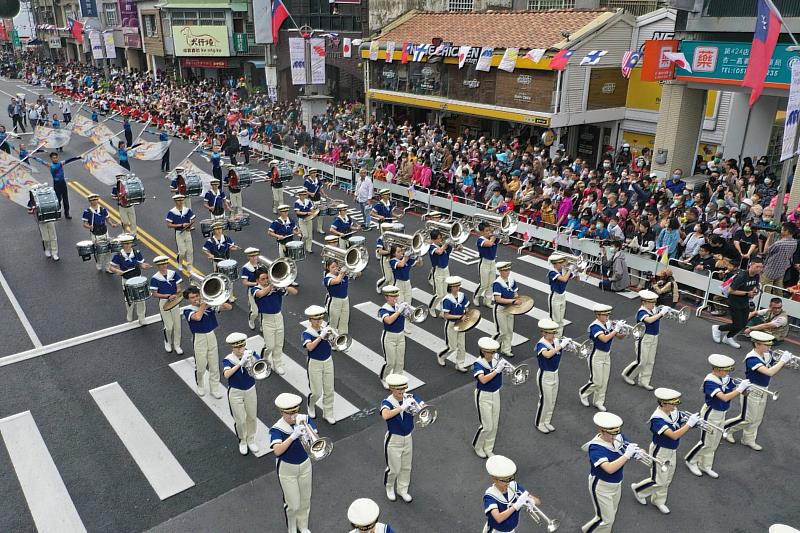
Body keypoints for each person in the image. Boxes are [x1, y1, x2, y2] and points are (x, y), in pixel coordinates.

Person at [631, 388, 700, 515]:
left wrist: (693, 422)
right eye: (672, 403)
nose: (675, 406)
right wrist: (689, 424)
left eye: (675, 403)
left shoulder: (673, 412)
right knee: (659, 479)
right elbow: (673, 435)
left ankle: (659, 500)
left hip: (672, 450)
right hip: (660, 451)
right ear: (663, 403)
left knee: (667, 478)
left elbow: (680, 420)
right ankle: (639, 490)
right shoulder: (657, 420)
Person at [723, 331, 792, 451]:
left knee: (757, 418)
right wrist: (783, 361)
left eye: (769, 344)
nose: (769, 347)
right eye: (766, 345)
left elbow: (773, 365)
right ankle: (726, 428)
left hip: (764, 390)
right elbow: (770, 372)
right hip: (750, 390)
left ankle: (748, 439)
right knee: (747, 418)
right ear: (756, 344)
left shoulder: (767, 354)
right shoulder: (752, 359)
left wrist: (783, 361)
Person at [684, 354, 750, 478]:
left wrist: (745, 389)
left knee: (714, 442)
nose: (727, 372)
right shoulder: (710, 381)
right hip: (711, 413)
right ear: (716, 369)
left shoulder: (726, 378)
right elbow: (724, 398)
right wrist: (739, 390)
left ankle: (706, 466)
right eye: (725, 370)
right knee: (706, 441)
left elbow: (738, 391)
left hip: (722, 413)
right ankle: (690, 460)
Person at [581, 412, 639, 533]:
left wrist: (638, 452)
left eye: (616, 433)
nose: (614, 437)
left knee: (609, 514)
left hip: (616, 484)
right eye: (611, 434)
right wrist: (627, 455)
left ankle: (588, 529)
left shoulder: (617, 437)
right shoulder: (595, 447)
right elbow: (609, 469)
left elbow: (630, 447)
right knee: (607, 519)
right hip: (601, 486)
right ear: (601, 431)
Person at [270, 392, 315, 533]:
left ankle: (303, 526)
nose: (292, 417)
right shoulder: (277, 428)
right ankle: (292, 529)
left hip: (305, 464)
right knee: (293, 504)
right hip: (287, 468)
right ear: (281, 412)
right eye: (288, 414)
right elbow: (277, 451)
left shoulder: (305, 419)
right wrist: (293, 436)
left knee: (305, 500)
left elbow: (315, 440)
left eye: (294, 413)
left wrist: (307, 434)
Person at [181, 285, 233, 399]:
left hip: (211, 335)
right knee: (201, 366)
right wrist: (204, 303)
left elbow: (229, 308)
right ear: (188, 299)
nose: (195, 299)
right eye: (192, 297)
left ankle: (214, 389)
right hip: (199, 338)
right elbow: (198, 317)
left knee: (214, 365)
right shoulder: (187, 310)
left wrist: (218, 300)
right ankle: (200, 384)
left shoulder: (209, 306)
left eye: (197, 296)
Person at [380, 373, 422, 503]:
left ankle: (403, 489)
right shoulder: (387, 402)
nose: (402, 392)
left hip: (408, 437)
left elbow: (424, 406)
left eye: (403, 388)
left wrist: (418, 407)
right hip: (394, 439)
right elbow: (385, 415)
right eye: (399, 389)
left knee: (406, 467)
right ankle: (389, 487)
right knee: (394, 468)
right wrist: (402, 407)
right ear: (392, 389)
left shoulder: (409, 397)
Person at [252, 267, 298, 377]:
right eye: (263, 279)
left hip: (278, 317)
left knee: (279, 344)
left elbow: (295, 292)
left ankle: (277, 364)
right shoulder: (254, 289)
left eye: (267, 278)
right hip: (266, 319)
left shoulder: (277, 288)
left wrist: (284, 285)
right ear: (257, 281)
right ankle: (263, 359)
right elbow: (260, 294)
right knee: (270, 345)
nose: (266, 280)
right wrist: (272, 284)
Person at [579, 304, 624, 412]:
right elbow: (604, 339)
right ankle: (583, 392)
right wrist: (615, 330)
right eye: (604, 315)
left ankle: (598, 401)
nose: (607, 317)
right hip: (596, 355)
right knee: (597, 381)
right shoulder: (594, 326)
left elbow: (619, 337)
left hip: (606, 354)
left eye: (608, 314)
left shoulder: (608, 323)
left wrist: (621, 330)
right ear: (597, 315)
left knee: (604, 381)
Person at [222, 332, 262, 455]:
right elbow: (226, 374)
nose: (240, 349)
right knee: (240, 419)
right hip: (236, 392)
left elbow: (261, 365)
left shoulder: (250, 354)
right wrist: (240, 363)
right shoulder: (228, 359)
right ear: (232, 348)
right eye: (237, 347)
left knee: (252, 416)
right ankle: (242, 441)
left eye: (242, 346)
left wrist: (252, 358)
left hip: (250, 389)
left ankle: (251, 439)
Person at [712, 257, 764, 349]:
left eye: (761, 267)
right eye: (757, 267)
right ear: (751, 265)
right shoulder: (742, 276)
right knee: (737, 324)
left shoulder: (756, 276)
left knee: (743, 323)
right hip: (734, 301)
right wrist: (747, 293)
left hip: (745, 301)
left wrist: (755, 291)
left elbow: (754, 286)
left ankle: (728, 337)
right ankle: (718, 328)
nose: (759, 269)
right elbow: (731, 290)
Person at [621, 290, 668, 391]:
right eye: (651, 302)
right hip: (644, 338)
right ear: (644, 302)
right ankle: (627, 374)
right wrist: (661, 313)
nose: (653, 304)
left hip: (654, 336)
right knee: (641, 361)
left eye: (654, 302)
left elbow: (655, 318)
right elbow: (649, 320)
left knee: (650, 361)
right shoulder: (641, 311)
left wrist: (662, 312)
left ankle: (644, 381)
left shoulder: (653, 310)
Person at [483, 455, 541, 533]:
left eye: (510, 478)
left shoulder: (514, 486)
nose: (508, 483)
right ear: (494, 478)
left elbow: (538, 502)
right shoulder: (490, 496)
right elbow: (498, 518)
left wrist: (532, 500)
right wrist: (515, 506)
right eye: (504, 480)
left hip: (511, 530)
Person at [473, 337, 508, 458]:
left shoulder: (496, 359)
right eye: (491, 352)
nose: (494, 354)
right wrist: (497, 371)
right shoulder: (478, 363)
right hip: (484, 395)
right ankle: (477, 446)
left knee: (494, 423)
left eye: (494, 352)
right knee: (486, 425)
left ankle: (488, 448)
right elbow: (482, 380)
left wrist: (505, 368)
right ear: (483, 351)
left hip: (495, 393)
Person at [302, 305, 337, 425]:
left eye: (321, 319)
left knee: (329, 389)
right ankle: (311, 404)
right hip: (314, 363)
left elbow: (335, 344)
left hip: (328, 361)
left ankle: (328, 413)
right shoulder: (307, 333)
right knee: (316, 392)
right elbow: (310, 347)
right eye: (316, 319)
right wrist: (321, 337)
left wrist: (333, 336)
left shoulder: (326, 328)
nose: (319, 321)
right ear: (310, 320)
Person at [109, 234, 151, 324]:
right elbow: (111, 267)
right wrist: (117, 271)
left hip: (137, 278)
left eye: (129, 243)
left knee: (141, 299)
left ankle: (141, 317)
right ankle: (129, 314)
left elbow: (140, 264)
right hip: (126, 279)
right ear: (122, 245)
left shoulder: (137, 253)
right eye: (125, 244)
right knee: (129, 299)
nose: (128, 245)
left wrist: (144, 265)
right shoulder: (118, 255)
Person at [149, 255, 184, 354]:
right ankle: (167, 341)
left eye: (165, 264)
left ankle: (177, 345)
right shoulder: (155, 278)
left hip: (175, 301)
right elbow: (155, 294)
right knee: (169, 326)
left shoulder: (173, 274)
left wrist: (177, 291)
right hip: (164, 302)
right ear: (157, 266)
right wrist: (167, 296)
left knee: (178, 325)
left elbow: (178, 286)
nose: (164, 266)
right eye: (161, 265)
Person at [534, 319, 563, 434]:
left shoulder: (555, 341)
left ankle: (546, 421)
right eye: (551, 333)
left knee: (552, 400)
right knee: (545, 400)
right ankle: (539, 423)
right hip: (544, 375)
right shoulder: (541, 344)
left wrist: (565, 344)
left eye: (554, 332)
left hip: (555, 373)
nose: (553, 335)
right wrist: (558, 348)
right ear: (544, 333)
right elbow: (547, 354)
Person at [438, 276, 469, 371]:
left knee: (461, 346)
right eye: (455, 286)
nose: (458, 288)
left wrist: (467, 315)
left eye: (458, 286)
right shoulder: (447, 299)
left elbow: (466, 308)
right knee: (452, 347)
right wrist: (460, 316)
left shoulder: (463, 296)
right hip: (451, 324)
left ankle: (460, 364)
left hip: (461, 324)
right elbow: (446, 315)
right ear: (451, 287)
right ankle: (441, 356)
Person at [82, 193, 119, 272]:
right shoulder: (87, 212)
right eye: (92, 200)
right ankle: (99, 262)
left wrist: (112, 224)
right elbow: (84, 223)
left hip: (104, 231)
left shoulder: (102, 210)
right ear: (90, 201)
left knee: (108, 249)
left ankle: (108, 267)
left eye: (95, 200)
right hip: (95, 233)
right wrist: (89, 226)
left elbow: (107, 218)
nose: (94, 201)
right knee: (99, 251)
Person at [379, 286, 406, 389]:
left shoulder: (398, 306)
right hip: (389, 337)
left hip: (401, 335)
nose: (395, 298)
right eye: (392, 296)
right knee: (390, 362)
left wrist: (407, 310)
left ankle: (397, 379)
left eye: (396, 295)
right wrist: (399, 311)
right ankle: (383, 378)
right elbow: (388, 321)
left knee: (400, 361)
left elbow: (411, 317)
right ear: (386, 297)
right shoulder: (384, 309)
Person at [760, 222, 798, 294]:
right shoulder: (794, 242)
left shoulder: (779, 243)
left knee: (765, 292)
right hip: (782, 270)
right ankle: (779, 304)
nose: (781, 231)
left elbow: (766, 251)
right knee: (778, 291)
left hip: (770, 270)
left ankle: (763, 305)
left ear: (786, 231)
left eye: (782, 229)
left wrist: (769, 237)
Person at [492, 261, 520, 358]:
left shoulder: (511, 280)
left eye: (508, 270)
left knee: (509, 330)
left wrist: (517, 298)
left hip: (510, 308)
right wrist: (513, 301)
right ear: (500, 271)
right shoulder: (497, 283)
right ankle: (491, 347)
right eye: (505, 270)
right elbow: (498, 299)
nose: (507, 272)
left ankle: (506, 349)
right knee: (502, 332)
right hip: (500, 309)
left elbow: (515, 293)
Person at [165, 194, 195, 277]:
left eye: (182, 200)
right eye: (178, 200)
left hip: (187, 232)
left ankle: (190, 268)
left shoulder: (187, 210)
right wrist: (181, 225)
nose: (181, 202)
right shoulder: (172, 212)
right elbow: (169, 225)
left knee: (190, 251)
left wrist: (190, 224)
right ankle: (179, 262)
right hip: (179, 233)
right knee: (182, 252)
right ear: (175, 201)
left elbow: (193, 218)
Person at [26, 185, 59, 260]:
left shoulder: (47, 197)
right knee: (45, 237)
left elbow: (54, 204)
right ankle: (47, 249)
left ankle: (54, 253)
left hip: (50, 218)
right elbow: (29, 210)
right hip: (41, 220)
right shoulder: (32, 200)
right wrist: (32, 211)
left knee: (53, 236)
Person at [547, 253, 575, 336]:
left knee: (561, 320)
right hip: (554, 297)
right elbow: (563, 279)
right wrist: (570, 270)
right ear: (554, 264)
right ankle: (552, 338)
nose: (563, 264)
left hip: (562, 296)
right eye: (560, 263)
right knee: (555, 320)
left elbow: (577, 279)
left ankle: (559, 338)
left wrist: (576, 271)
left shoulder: (564, 271)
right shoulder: (552, 272)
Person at [388, 244, 415, 330]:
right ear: (394, 254)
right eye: (398, 252)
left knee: (408, 305)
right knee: (400, 306)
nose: (401, 253)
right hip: (398, 285)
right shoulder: (392, 261)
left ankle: (407, 325)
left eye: (401, 251)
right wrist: (406, 256)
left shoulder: (406, 259)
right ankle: (399, 324)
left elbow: (420, 264)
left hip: (407, 284)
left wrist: (418, 256)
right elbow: (401, 265)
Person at [427, 229, 452, 317]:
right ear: (433, 240)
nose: (440, 240)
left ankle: (442, 311)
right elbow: (439, 251)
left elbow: (458, 249)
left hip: (446, 270)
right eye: (438, 238)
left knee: (445, 293)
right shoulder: (431, 247)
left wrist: (456, 244)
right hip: (437, 271)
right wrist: (445, 244)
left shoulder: (442, 245)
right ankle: (431, 308)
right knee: (439, 294)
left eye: (441, 238)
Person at [49, 152, 82, 219]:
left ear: (58, 157)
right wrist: (32, 157)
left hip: (63, 183)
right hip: (56, 184)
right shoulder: (51, 166)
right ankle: (58, 213)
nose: (55, 159)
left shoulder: (61, 163)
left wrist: (79, 157)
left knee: (66, 200)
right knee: (58, 200)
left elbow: (70, 160)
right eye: (53, 158)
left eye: (56, 158)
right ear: (51, 159)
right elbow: (40, 161)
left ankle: (67, 214)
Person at [324, 258, 350, 338]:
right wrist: (342, 272)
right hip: (334, 301)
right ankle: (331, 341)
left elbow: (357, 273)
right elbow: (337, 281)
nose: (335, 268)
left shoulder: (342, 274)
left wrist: (347, 268)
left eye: (336, 266)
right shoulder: (327, 278)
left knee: (344, 322)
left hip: (345, 300)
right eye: (333, 267)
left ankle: (342, 341)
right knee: (333, 323)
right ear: (328, 268)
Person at [475, 222, 499, 308]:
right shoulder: (480, 240)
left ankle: (487, 301)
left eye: (489, 230)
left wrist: (497, 234)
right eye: (486, 231)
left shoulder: (493, 238)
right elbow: (489, 244)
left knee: (491, 284)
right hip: (484, 263)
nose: (489, 232)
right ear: (481, 232)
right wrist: (494, 236)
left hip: (492, 262)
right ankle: (476, 297)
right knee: (483, 284)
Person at [240, 247, 261, 331]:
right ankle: (251, 319)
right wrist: (256, 283)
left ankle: (262, 325)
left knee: (263, 310)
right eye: (252, 256)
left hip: (262, 289)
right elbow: (245, 282)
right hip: (252, 290)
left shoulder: (261, 265)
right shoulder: (246, 268)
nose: (254, 258)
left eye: (256, 256)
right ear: (248, 257)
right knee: (255, 311)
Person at [304, 167, 326, 234]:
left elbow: (321, 188)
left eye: (315, 172)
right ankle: (306, 226)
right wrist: (310, 193)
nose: (314, 174)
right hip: (310, 199)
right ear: (310, 174)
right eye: (313, 173)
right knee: (311, 214)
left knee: (320, 214)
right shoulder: (307, 181)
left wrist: (324, 194)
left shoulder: (318, 180)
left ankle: (319, 228)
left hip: (318, 199)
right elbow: (305, 190)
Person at [375, 223, 395, 294]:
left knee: (393, 277)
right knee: (387, 278)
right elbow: (380, 251)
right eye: (388, 229)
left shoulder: (393, 237)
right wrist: (389, 252)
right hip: (385, 259)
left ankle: (390, 292)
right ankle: (379, 285)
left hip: (393, 258)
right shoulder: (381, 239)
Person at [294, 189, 315, 254]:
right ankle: (301, 246)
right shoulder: (297, 202)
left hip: (309, 219)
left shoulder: (308, 201)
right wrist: (306, 213)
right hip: (302, 220)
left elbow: (311, 209)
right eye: (301, 195)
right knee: (305, 235)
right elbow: (297, 212)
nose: (303, 196)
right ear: (299, 195)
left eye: (304, 195)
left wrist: (313, 213)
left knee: (310, 235)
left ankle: (309, 249)